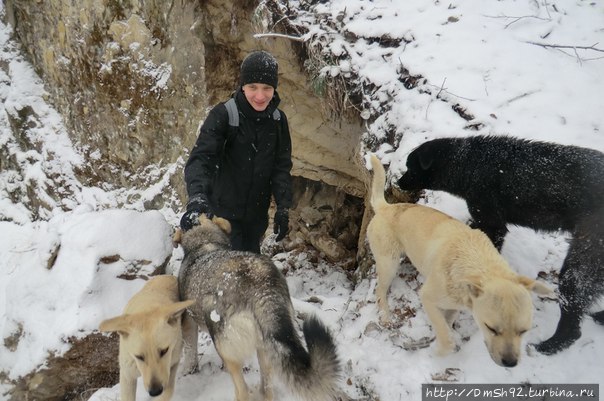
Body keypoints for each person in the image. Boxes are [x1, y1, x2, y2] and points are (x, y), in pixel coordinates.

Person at [180, 50, 292, 254]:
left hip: (256, 219)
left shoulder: (277, 121)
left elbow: (281, 167)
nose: (260, 96)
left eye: (267, 88)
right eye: (253, 87)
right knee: (231, 275)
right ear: (242, 86)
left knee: (249, 269)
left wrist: (283, 207)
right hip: (223, 219)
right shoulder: (224, 115)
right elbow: (200, 160)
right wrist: (197, 197)